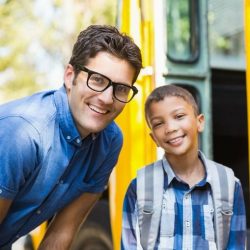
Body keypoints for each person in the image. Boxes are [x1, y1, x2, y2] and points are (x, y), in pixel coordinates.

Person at [0, 24, 142, 249]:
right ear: (70, 76)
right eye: (97, 79)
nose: (107, 98)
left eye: (121, 89)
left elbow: (63, 230)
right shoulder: (23, 134)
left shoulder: (110, 141)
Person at [121, 85, 246, 250]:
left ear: (199, 122)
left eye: (179, 116)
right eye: (158, 124)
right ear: (154, 139)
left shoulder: (229, 184)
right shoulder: (139, 187)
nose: (170, 128)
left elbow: (236, 246)